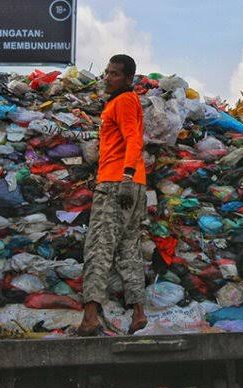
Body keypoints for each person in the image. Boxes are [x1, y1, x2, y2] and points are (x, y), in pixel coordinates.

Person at [77, 54, 148, 336]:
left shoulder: (124, 102)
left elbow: (134, 139)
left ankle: (90, 316)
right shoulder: (121, 102)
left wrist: (126, 177)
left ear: (129, 79)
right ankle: (139, 314)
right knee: (128, 248)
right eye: (107, 72)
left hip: (116, 183)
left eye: (115, 74)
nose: (108, 78)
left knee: (99, 247)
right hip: (132, 183)